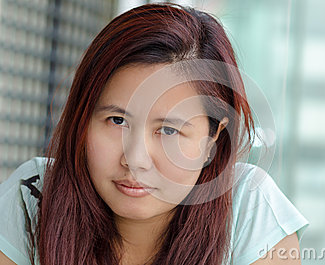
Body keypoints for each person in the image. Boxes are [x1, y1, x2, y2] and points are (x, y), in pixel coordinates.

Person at [0, 3, 309, 265]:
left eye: (169, 130)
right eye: (117, 120)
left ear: (212, 139)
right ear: (83, 118)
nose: (135, 160)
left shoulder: (248, 209)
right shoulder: (33, 197)